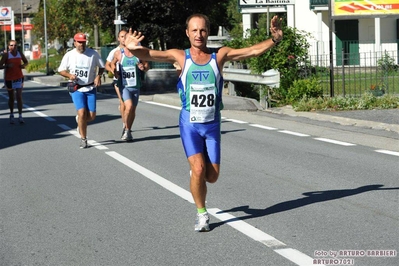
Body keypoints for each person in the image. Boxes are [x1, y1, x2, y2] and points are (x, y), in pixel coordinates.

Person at [125, 14, 283, 232]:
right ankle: (202, 214)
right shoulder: (180, 56)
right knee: (199, 169)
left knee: (213, 176)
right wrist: (133, 48)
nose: (199, 35)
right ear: (187, 33)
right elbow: (150, 54)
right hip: (189, 124)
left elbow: (251, 51)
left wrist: (274, 39)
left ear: (208, 32)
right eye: (194, 30)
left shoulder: (219, 56)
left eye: (203, 30)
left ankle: (197, 174)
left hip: (212, 125)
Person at [58, 32, 105, 149]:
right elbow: (61, 70)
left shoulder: (93, 54)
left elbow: (102, 66)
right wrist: (69, 76)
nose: (81, 44)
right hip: (76, 88)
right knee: (82, 112)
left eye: (83, 42)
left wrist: (98, 76)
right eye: (79, 42)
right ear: (74, 43)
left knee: (92, 116)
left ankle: (80, 122)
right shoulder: (69, 55)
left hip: (90, 87)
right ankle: (84, 139)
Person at [110, 46, 149, 141]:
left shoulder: (138, 54)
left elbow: (147, 66)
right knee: (129, 106)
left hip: (136, 86)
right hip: (124, 86)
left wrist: (143, 67)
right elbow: (112, 63)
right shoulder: (119, 53)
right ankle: (126, 128)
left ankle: (127, 130)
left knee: (133, 111)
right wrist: (114, 71)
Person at [105, 29, 128, 137]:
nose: (124, 39)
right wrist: (113, 71)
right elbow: (107, 65)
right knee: (123, 102)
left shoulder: (132, 50)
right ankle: (125, 125)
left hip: (130, 81)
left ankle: (126, 119)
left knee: (130, 105)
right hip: (118, 80)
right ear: (119, 38)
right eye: (122, 36)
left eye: (126, 36)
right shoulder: (115, 51)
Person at [0, 40, 29, 124]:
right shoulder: (6, 55)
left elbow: (26, 62)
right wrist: (7, 66)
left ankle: (20, 115)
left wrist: (23, 65)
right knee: (12, 98)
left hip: (19, 77)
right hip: (9, 79)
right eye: (11, 45)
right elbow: (0, 65)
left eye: (15, 45)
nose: (13, 47)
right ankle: (11, 114)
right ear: (8, 46)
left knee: (19, 96)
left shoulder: (20, 54)